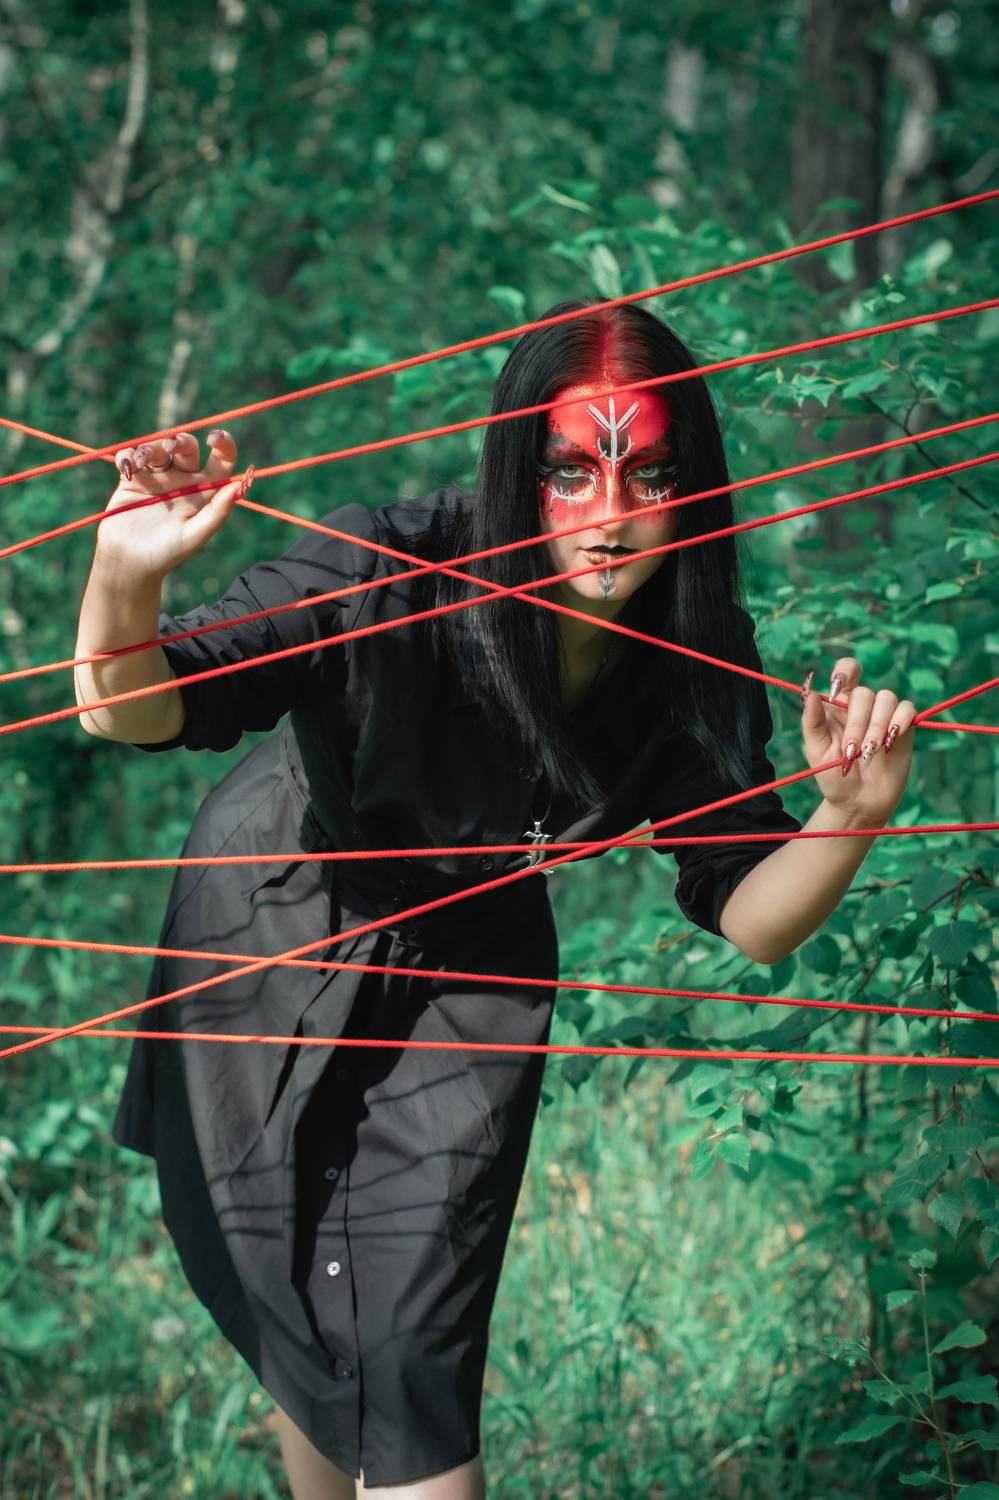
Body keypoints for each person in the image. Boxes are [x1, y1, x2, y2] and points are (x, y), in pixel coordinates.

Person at [73, 300, 915, 1498]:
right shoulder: (385, 565)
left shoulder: (694, 650)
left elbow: (750, 912)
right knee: (297, 1290)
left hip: (476, 970)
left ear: (697, 484)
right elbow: (132, 708)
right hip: (278, 912)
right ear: (518, 470)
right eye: (571, 474)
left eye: (650, 475)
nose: (612, 519)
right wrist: (124, 574)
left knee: (414, 1337)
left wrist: (849, 818)